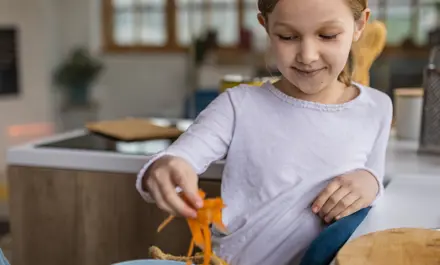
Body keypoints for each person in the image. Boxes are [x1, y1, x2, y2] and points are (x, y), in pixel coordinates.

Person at [136, 0, 393, 264]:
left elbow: (377, 181)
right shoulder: (239, 105)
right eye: (288, 36)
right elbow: (181, 157)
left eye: (327, 35)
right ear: (266, 27)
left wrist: (370, 182)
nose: (307, 55)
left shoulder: (377, 107)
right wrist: (165, 168)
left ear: (360, 24)